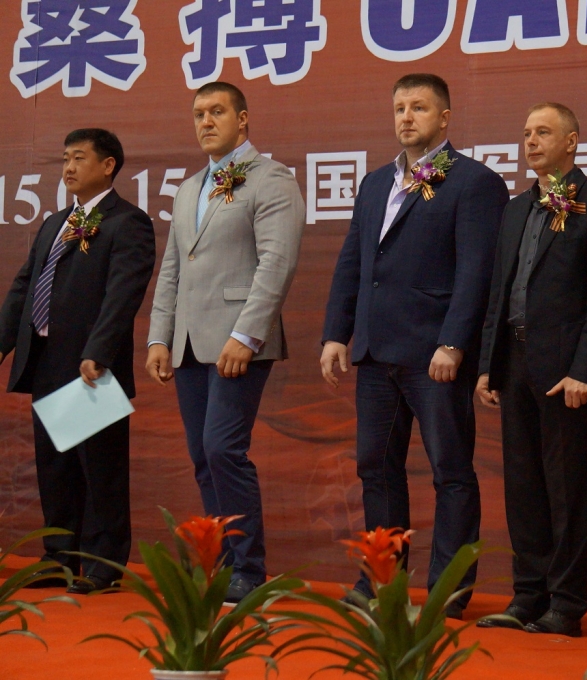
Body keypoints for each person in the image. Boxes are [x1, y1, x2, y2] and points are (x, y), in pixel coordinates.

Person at [320, 73, 508, 618]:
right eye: (400, 107)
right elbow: (354, 262)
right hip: (376, 351)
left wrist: (454, 342)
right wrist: (336, 333)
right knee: (375, 468)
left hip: (435, 355)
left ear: (444, 117)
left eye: (419, 107)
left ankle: (448, 591)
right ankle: (382, 582)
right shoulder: (376, 182)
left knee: (451, 470)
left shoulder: (474, 182)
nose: (406, 117)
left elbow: (477, 271)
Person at [146, 82, 305, 603]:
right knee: (202, 455)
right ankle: (223, 563)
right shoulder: (188, 189)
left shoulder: (271, 178)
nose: (206, 121)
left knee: (222, 448)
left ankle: (249, 567)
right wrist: (159, 336)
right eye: (199, 113)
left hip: (239, 340)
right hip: (189, 341)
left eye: (217, 111)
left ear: (243, 119)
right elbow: (173, 268)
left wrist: (246, 334)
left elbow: (277, 263)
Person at [474, 103, 587, 636]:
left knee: (566, 489)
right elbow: (499, 292)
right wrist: (488, 365)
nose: (532, 141)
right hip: (514, 362)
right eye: (526, 133)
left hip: (566, 372)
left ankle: (565, 603)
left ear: (573, 141)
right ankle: (527, 595)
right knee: (522, 486)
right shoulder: (516, 208)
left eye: (543, 132)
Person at [0, 128, 155, 593]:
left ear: (108, 166)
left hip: (91, 366)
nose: (68, 167)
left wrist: (99, 351)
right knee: (56, 465)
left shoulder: (127, 222)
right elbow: (25, 286)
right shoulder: (55, 222)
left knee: (100, 467)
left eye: (79, 158)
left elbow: (123, 294)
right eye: (66, 158)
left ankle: (104, 563)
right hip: (46, 358)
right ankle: (59, 558)